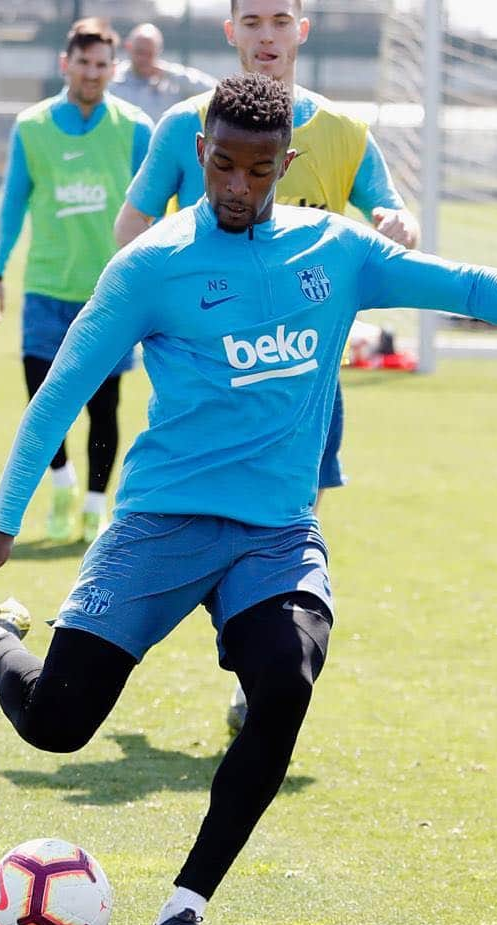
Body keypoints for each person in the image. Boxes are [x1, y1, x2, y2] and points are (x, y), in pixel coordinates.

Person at [0, 73, 497, 925]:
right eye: (221, 166)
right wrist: (0, 526)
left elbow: (446, 279)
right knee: (59, 727)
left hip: (273, 535)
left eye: (257, 171)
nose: (236, 187)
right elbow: (58, 394)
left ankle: (182, 915)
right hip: (161, 524)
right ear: (199, 156)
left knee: (286, 678)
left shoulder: (334, 250)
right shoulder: (151, 266)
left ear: (284, 165)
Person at [113, 0, 419, 731]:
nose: (266, 36)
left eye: (280, 21)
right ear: (231, 33)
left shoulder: (344, 132)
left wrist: (394, 223)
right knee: (184, 520)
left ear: (301, 32)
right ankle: (113, 632)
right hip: (208, 385)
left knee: (293, 522)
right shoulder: (185, 123)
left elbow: (389, 212)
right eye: (251, 22)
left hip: (303, 382)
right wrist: (125, 309)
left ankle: (258, 674)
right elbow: (135, 221)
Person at [0, 18, 153, 544]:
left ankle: (95, 506)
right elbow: (13, 203)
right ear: (66, 64)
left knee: (105, 404)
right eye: (84, 63)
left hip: (109, 291)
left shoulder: (135, 127)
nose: (92, 73)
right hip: (46, 286)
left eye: (103, 65)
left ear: (113, 68)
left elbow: (154, 207)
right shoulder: (32, 127)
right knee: (42, 397)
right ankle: (61, 484)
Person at [108, 23, 218, 123]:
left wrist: (170, 72)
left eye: (149, 54)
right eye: (140, 52)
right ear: (128, 47)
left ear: (158, 52)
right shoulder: (113, 79)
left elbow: (214, 90)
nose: (144, 59)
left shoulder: (172, 84)